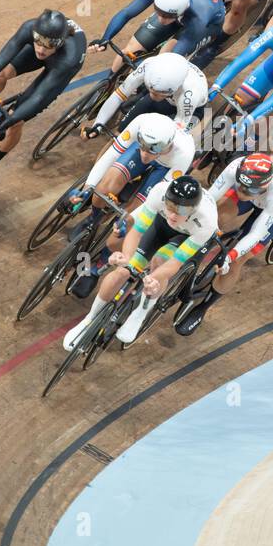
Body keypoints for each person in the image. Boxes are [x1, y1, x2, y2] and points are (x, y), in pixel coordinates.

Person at [62, 175, 218, 350]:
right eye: (171, 207)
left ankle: (142, 312)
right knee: (122, 272)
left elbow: (175, 262)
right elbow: (137, 232)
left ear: (192, 210)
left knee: (159, 265)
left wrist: (153, 279)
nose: (173, 215)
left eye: (180, 211)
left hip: (185, 237)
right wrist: (127, 259)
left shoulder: (206, 222)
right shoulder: (159, 191)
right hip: (160, 225)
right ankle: (89, 319)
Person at [0, 10, 86, 196]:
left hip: (59, 66)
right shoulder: (30, 29)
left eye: (47, 45)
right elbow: (0, 60)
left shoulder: (69, 58)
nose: (41, 49)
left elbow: (38, 98)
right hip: (53, 48)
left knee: (15, 121)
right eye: (38, 41)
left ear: (60, 42)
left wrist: (7, 122)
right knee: (1, 72)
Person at [65, 111, 196, 296]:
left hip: (166, 169)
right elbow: (110, 156)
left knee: (131, 220)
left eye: (151, 151)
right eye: (143, 147)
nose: (144, 155)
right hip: (142, 147)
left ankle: (99, 264)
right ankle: (92, 220)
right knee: (104, 187)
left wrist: (129, 218)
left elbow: (156, 199)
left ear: (168, 146)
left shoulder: (183, 153)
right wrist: (88, 187)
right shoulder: (141, 122)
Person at [175, 152, 273, 335]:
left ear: (264, 187)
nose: (242, 194)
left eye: (250, 191)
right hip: (257, 188)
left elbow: (257, 232)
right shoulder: (235, 168)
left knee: (237, 261)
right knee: (218, 215)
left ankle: (204, 306)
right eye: (240, 187)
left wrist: (231, 255)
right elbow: (208, 200)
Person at [92, 0, 225, 72]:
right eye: (159, 12)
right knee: (129, 50)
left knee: (164, 57)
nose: (161, 20)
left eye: (167, 16)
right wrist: (105, 38)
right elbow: (127, 13)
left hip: (210, 24)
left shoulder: (199, 18)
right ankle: (106, 88)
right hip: (178, 10)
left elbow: (173, 57)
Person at [83, 51, 208, 138]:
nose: (153, 95)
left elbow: (179, 126)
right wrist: (98, 126)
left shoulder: (189, 95)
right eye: (150, 90)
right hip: (167, 100)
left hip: (189, 111)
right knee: (120, 134)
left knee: (160, 148)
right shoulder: (149, 65)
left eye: (158, 93)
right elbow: (118, 96)